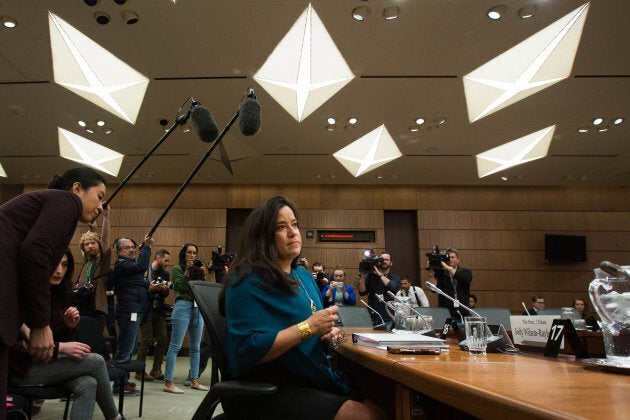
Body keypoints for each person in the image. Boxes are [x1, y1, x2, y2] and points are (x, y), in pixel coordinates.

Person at [220, 196, 382, 419]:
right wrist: (309, 328)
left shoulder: (303, 276)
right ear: (262, 237)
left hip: (306, 376)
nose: (292, 232)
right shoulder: (247, 280)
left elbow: (306, 334)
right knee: (365, 415)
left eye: (294, 224)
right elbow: (246, 350)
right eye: (280, 227)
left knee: (383, 403)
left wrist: (325, 334)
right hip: (268, 388)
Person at [0, 166, 106, 419]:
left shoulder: (45, 204)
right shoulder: (66, 200)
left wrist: (22, 326)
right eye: (100, 196)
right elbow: (34, 253)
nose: (101, 207)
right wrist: (39, 324)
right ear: (77, 188)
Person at [9, 249, 125, 420]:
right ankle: (114, 417)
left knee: (88, 383)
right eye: (54, 264)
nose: (59, 271)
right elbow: (17, 346)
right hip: (19, 369)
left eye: (64, 265)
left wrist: (69, 328)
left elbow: (61, 342)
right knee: (96, 360)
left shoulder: (58, 294)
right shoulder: (20, 296)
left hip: (48, 364)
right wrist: (60, 347)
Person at [111, 235, 154, 395]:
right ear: (118, 251)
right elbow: (141, 267)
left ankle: (123, 381)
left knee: (130, 347)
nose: (131, 250)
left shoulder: (130, 266)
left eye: (132, 247)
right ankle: (119, 386)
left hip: (135, 310)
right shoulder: (123, 264)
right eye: (126, 248)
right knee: (125, 348)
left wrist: (150, 285)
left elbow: (138, 281)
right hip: (129, 311)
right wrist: (147, 247)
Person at [163, 243, 208, 394]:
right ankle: (168, 382)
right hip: (183, 306)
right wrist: (187, 270)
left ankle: (194, 380)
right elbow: (180, 286)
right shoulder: (177, 268)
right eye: (189, 252)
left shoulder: (198, 267)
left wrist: (203, 273)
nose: (192, 255)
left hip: (197, 308)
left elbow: (203, 287)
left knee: (195, 347)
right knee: (175, 346)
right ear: (184, 254)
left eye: (194, 253)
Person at [74, 204, 113, 340]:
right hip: (83, 307)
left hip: (97, 308)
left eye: (93, 243)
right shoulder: (87, 260)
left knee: (93, 340)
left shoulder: (102, 261)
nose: (90, 246)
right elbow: (90, 241)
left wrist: (106, 216)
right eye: (86, 244)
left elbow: (105, 240)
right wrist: (93, 230)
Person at [135, 249, 171, 382]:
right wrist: (150, 289)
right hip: (146, 309)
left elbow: (165, 294)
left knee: (163, 339)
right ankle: (139, 371)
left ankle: (156, 369)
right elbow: (139, 289)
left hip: (159, 309)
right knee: (147, 339)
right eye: (166, 260)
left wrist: (164, 291)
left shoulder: (165, 274)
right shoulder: (145, 271)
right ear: (158, 258)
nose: (168, 263)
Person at [428, 248, 473, 322]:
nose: (450, 259)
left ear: (458, 260)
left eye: (452, 257)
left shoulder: (466, 272)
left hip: (462, 310)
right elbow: (433, 289)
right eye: (448, 257)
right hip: (446, 311)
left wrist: (447, 268)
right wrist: (431, 271)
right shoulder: (441, 273)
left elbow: (466, 279)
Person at [358, 251, 400, 328]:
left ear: (391, 263)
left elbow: (392, 286)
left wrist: (379, 274)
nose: (384, 261)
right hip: (372, 316)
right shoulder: (371, 277)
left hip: (388, 317)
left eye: (387, 260)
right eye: (382, 259)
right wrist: (363, 276)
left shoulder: (395, 278)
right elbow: (362, 292)